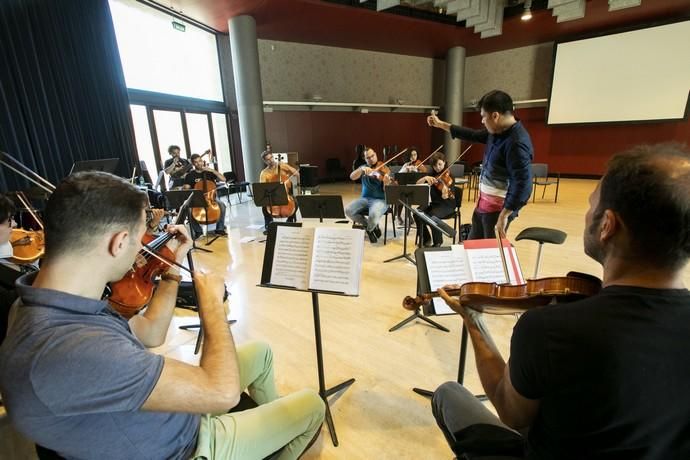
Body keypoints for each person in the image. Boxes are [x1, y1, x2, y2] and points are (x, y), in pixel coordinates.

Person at [0, 171, 325, 460]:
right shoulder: (74, 348)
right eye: (140, 239)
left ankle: (265, 435)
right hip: (184, 445)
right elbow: (221, 391)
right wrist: (212, 304)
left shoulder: (44, 302)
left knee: (261, 353)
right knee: (312, 405)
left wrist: (170, 269)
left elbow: (152, 332)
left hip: (162, 413)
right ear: (119, 242)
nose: (143, 252)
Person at [431, 143, 690, 459]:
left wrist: (473, 319)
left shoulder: (551, 329)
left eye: (591, 204)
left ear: (608, 225)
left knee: (448, 394)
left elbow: (511, 412)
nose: (587, 213)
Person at [427, 90, 533, 239]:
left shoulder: (517, 143)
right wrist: (441, 124)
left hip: (498, 211)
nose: (482, 121)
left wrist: (505, 215)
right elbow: (471, 134)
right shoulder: (497, 131)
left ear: (495, 116)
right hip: (483, 205)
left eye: (483, 116)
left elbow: (524, 185)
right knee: (472, 248)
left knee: (489, 255)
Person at [346, 147, 391, 243]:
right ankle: (370, 226)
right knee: (348, 210)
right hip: (365, 199)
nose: (371, 159)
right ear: (365, 159)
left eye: (372, 156)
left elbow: (386, 190)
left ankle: (370, 230)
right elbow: (352, 177)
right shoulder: (363, 167)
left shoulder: (384, 168)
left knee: (373, 215)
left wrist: (386, 183)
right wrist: (361, 169)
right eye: (368, 157)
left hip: (381, 200)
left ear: (376, 154)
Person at [413, 152, 455, 247]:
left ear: (444, 162)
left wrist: (445, 194)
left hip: (447, 204)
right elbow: (417, 184)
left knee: (432, 215)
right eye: (435, 165)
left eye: (440, 164)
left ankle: (438, 242)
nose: (438, 167)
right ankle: (426, 238)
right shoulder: (431, 174)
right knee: (416, 213)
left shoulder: (450, 176)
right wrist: (425, 178)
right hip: (433, 204)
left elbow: (448, 196)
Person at [183, 153, 228, 238]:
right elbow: (186, 188)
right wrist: (185, 187)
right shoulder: (190, 175)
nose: (199, 163)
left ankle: (220, 229)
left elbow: (224, 179)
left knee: (222, 205)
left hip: (211, 197)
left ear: (202, 161)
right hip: (197, 198)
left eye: (200, 161)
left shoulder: (209, 172)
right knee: (188, 210)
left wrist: (212, 171)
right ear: (193, 164)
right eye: (196, 162)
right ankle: (198, 231)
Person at [259, 150, 299, 234]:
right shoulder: (264, 173)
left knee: (295, 202)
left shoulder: (282, 165)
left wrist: (289, 173)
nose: (271, 160)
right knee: (264, 207)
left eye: (272, 158)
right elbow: (263, 187)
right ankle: (268, 225)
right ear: (265, 161)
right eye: (268, 159)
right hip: (272, 195)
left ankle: (290, 220)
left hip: (285, 193)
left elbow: (296, 173)